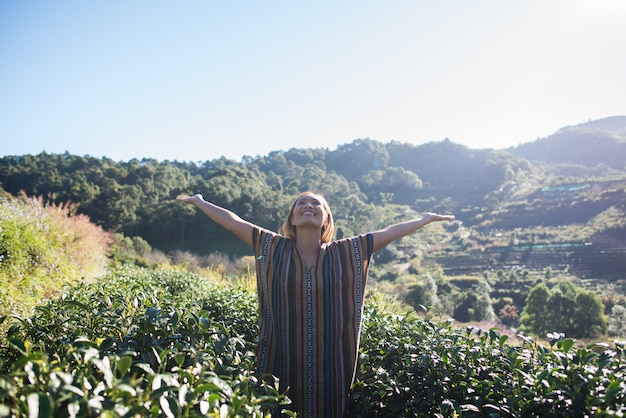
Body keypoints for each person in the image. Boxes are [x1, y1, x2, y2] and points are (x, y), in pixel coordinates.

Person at [176, 191, 454, 417]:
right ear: (292, 219)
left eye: (316, 204)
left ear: (326, 220)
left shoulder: (345, 252)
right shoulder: (272, 247)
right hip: (279, 358)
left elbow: (388, 233)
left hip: (331, 368)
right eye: (301, 203)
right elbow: (233, 221)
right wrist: (200, 202)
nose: (308, 205)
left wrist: (423, 220)